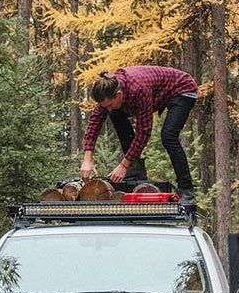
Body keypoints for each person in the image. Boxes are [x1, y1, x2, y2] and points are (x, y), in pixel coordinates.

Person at [80, 66, 198, 206]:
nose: (108, 108)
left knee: (169, 136)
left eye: (110, 104)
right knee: (115, 113)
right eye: (105, 106)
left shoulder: (139, 89)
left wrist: (123, 165)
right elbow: (95, 122)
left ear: (119, 94)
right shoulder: (107, 92)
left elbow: (144, 132)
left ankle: (187, 191)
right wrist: (87, 159)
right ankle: (136, 174)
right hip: (159, 93)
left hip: (182, 89)